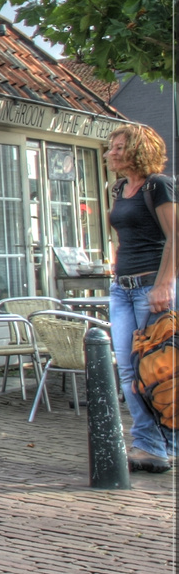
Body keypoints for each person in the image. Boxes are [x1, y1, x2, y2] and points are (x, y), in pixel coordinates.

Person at [105, 123, 174, 473]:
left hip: (151, 288)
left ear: (137, 149)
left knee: (159, 370)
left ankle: (166, 444)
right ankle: (149, 446)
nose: (112, 152)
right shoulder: (119, 188)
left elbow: (175, 237)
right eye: (112, 146)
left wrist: (163, 286)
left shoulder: (157, 186)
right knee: (130, 371)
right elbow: (123, 237)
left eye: (119, 147)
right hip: (121, 288)